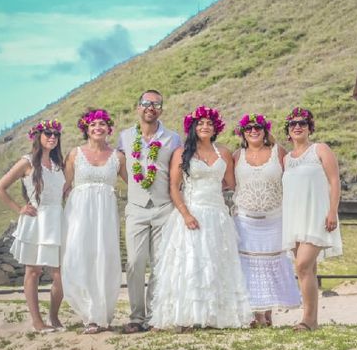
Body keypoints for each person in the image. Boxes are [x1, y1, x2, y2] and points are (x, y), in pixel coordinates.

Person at [150, 106, 252, 330]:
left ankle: (214, 316)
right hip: (192, 213)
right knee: (191, 263)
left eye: (209, 123)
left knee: (216, 262)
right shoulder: (181, 153)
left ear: (216, 128)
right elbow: (174, 187)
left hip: (217, 214)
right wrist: (186, 214)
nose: (205, 126)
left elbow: (230, 183)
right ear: (193, 127)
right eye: (201, 123)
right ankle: (186, 316)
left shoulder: (223, 153)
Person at [117, 90, 181, 333]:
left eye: (155, 104)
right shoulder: (124, 137)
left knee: (160, 263)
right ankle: (136, 316)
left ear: (161, 110)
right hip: (136, 209)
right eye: (145, 103)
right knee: (134, 262)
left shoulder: (173, 138)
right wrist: (135, 187)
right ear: (138, 107)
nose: (150, 107)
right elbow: (122, 169)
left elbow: (177, 171)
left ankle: (154, 316)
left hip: (164, 208)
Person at [0, 120, 65, 333]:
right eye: (48, 133)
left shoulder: (58, 163)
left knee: (61, 275)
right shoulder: (27, 162)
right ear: (38, 136)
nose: (52, 137)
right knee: (33, 271)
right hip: (36, 220)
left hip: (57, 220)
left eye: (56, 134)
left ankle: (53, 316)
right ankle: (37, 321)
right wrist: (19, 208)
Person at [232, 113, 301, 327]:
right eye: (249, 128)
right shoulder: (236, 156)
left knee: (271, 264)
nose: (253, 131)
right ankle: (256, 314)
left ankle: (268, 310)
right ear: (243, 133)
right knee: (249, 267)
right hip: (245, 219)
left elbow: (294, 178)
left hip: (274, 218)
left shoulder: (278, 152)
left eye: (258, 127)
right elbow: (226, 183)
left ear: (265, 130)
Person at [62, 109, 127, 334]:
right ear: (86, 130)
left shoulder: (118, 157)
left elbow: (135, 186)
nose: (97, 128)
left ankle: (101, 315)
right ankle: (88, 314)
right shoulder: (74, 154)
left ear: (109, 129)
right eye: (92, 125)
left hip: (106, 215)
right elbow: (64, 185)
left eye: (101, 124)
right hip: (79, 213)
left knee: (105, 260)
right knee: (80, 257)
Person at [282, 107, 342, 332]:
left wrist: (332, 211)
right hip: (296, 219)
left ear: (309, 128)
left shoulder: (320, 149)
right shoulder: (287, 159)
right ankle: (313, 320)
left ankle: (306, 320)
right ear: (288, 131)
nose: (298, 127)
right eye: (293, 124)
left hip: (317, 216)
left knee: (302, 265)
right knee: (309, 270)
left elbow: (334, 181)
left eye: (303, 123)